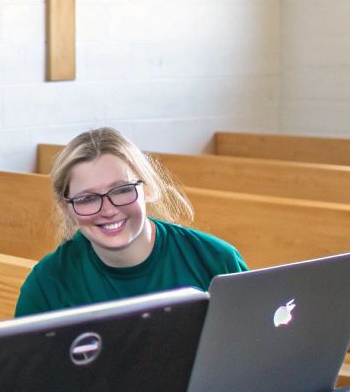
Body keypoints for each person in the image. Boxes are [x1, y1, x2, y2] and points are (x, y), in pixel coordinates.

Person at [15, 127, 247, 317]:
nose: (108, 210)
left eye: (122, 190)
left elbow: (253, 347)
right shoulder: (47, 282)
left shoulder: (216, 260)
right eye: (87, 198)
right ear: (66, 206)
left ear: (147, 188)